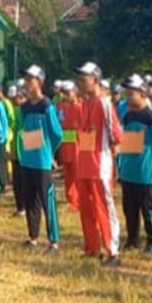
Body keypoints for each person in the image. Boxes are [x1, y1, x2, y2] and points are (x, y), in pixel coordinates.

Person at [75, 62, 123, 266]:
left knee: (104, 207)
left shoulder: (104, 104)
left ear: (95, 80)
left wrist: (111, 158)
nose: (80, 84)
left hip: (99, 165)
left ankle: (113, 251)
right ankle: (92, 247)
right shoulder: (84, 103)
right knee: (86, 207)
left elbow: (116, 135)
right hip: (84, 163)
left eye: (83, 80)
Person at [117, 75, 152, 254]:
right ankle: (133, 239)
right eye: (126, 93)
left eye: (131, 93)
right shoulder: (128, 115)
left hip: (147, 174)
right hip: (128, 172)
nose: (128, 97)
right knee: (129, 209)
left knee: (148, 209)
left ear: (142, 93)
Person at [17, 66, 63, 253]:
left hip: (42, 160)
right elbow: (21, 130)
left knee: (47, 200)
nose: (27, 83)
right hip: (28, 159)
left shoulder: (47, 106)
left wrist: (49, 151)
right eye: (26, 79)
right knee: (30, 200)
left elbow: (57, 133)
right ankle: (33, 236)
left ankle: (54, 240)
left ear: (40, 82)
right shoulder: (25, 107)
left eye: (31, 79)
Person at [57, 81, 83, 210]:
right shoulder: (66, 108)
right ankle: (71, 199)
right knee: (68, 176)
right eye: (64, 93)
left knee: (77, 175)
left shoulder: (80, 108)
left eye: (68, 93)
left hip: (77, 147)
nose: (66, 96)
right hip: (67, 145)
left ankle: (78, 200)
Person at [8, 84, 26, 217]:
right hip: (16, 151)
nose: (13, 101)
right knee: (17, 182)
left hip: (26, 153)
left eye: (15, 98)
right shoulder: (15, 110)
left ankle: (26, 206)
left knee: (26, 182)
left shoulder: (27, 110)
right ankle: (20, 207)